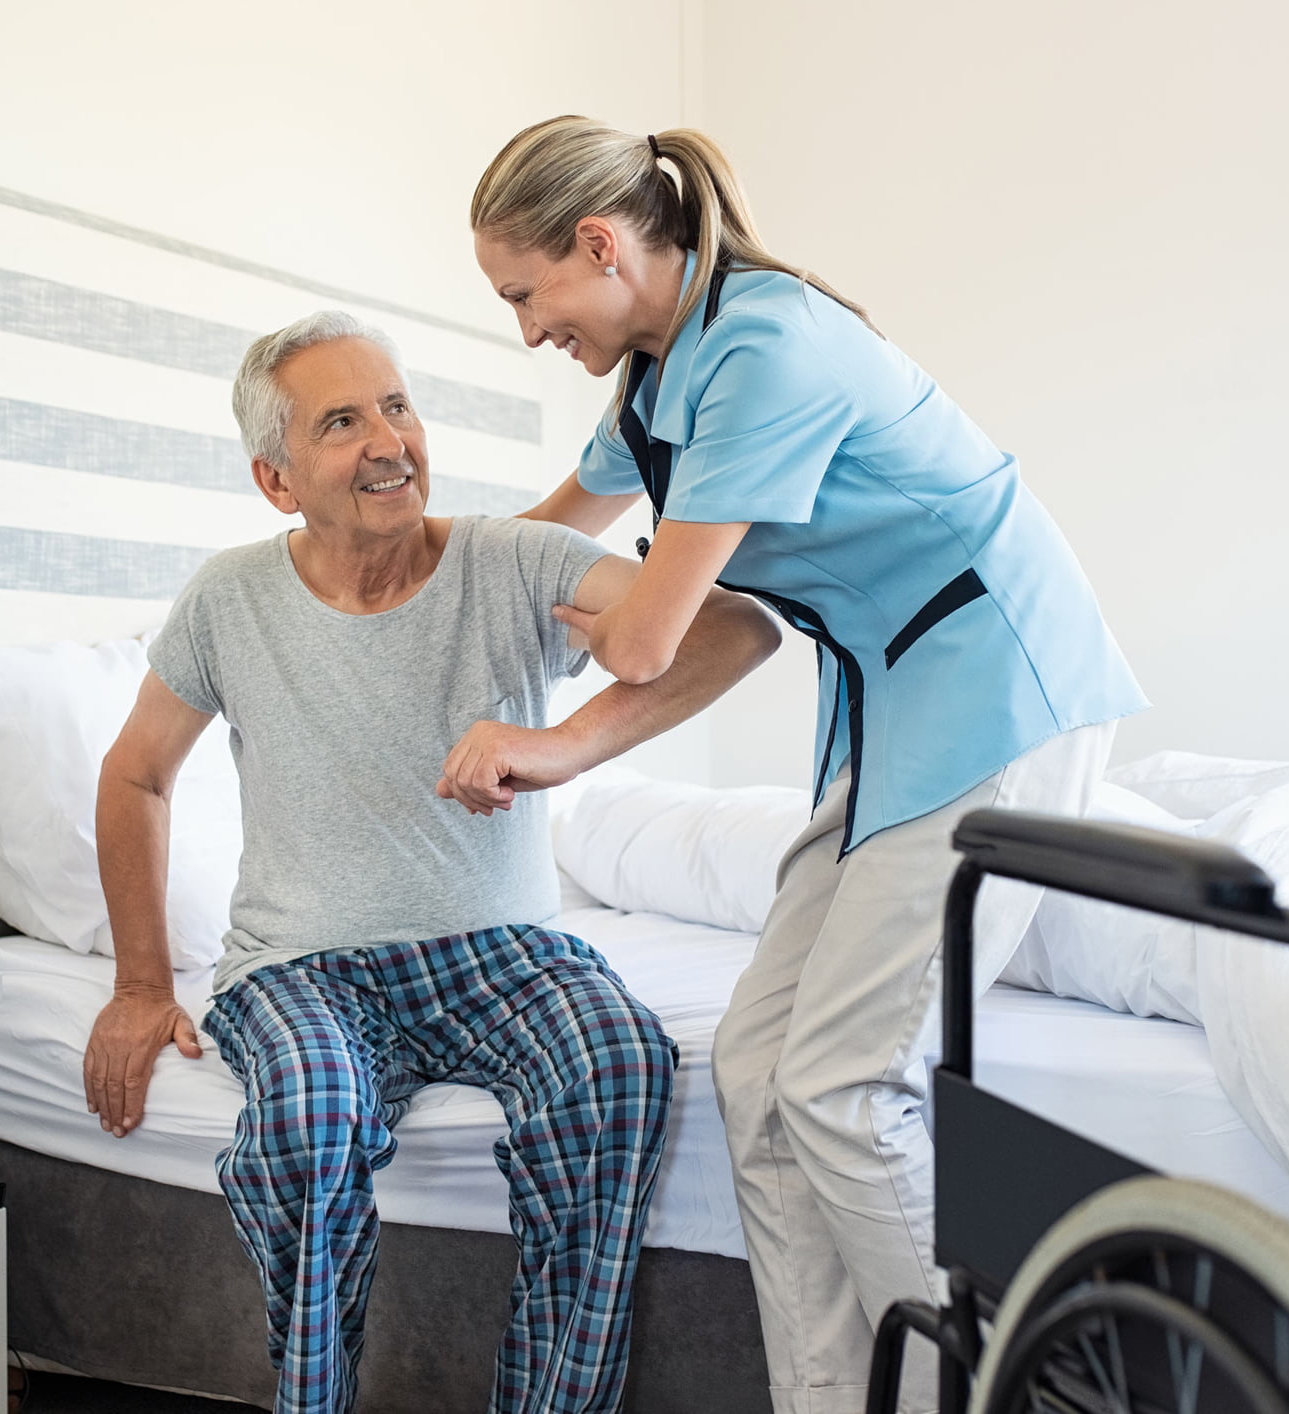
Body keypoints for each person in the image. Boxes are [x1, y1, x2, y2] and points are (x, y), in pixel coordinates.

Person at [470, 118, 1147, 1414]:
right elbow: (548, 539)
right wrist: (408, 588)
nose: (524, 330)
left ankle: (1015, 1390)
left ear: (600, 245)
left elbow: (663, 630)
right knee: (753, 1075)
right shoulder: (659, 380)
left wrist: (550, 730)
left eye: (524, 293)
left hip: (1003, 692)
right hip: (899, 717)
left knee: (841, 1081)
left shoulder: (766, 349)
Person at [81, 309, 780, 1414]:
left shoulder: (516, 561)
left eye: (398, 405)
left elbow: (734, 631)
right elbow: (134, 776)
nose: (390, 441)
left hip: (499, 952)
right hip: (303, 966)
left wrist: (560, 745)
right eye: (344, 421)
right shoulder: (228, 598)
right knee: (310, 1116)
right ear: (278, 478)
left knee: (619, 1064)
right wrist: (137, 985)